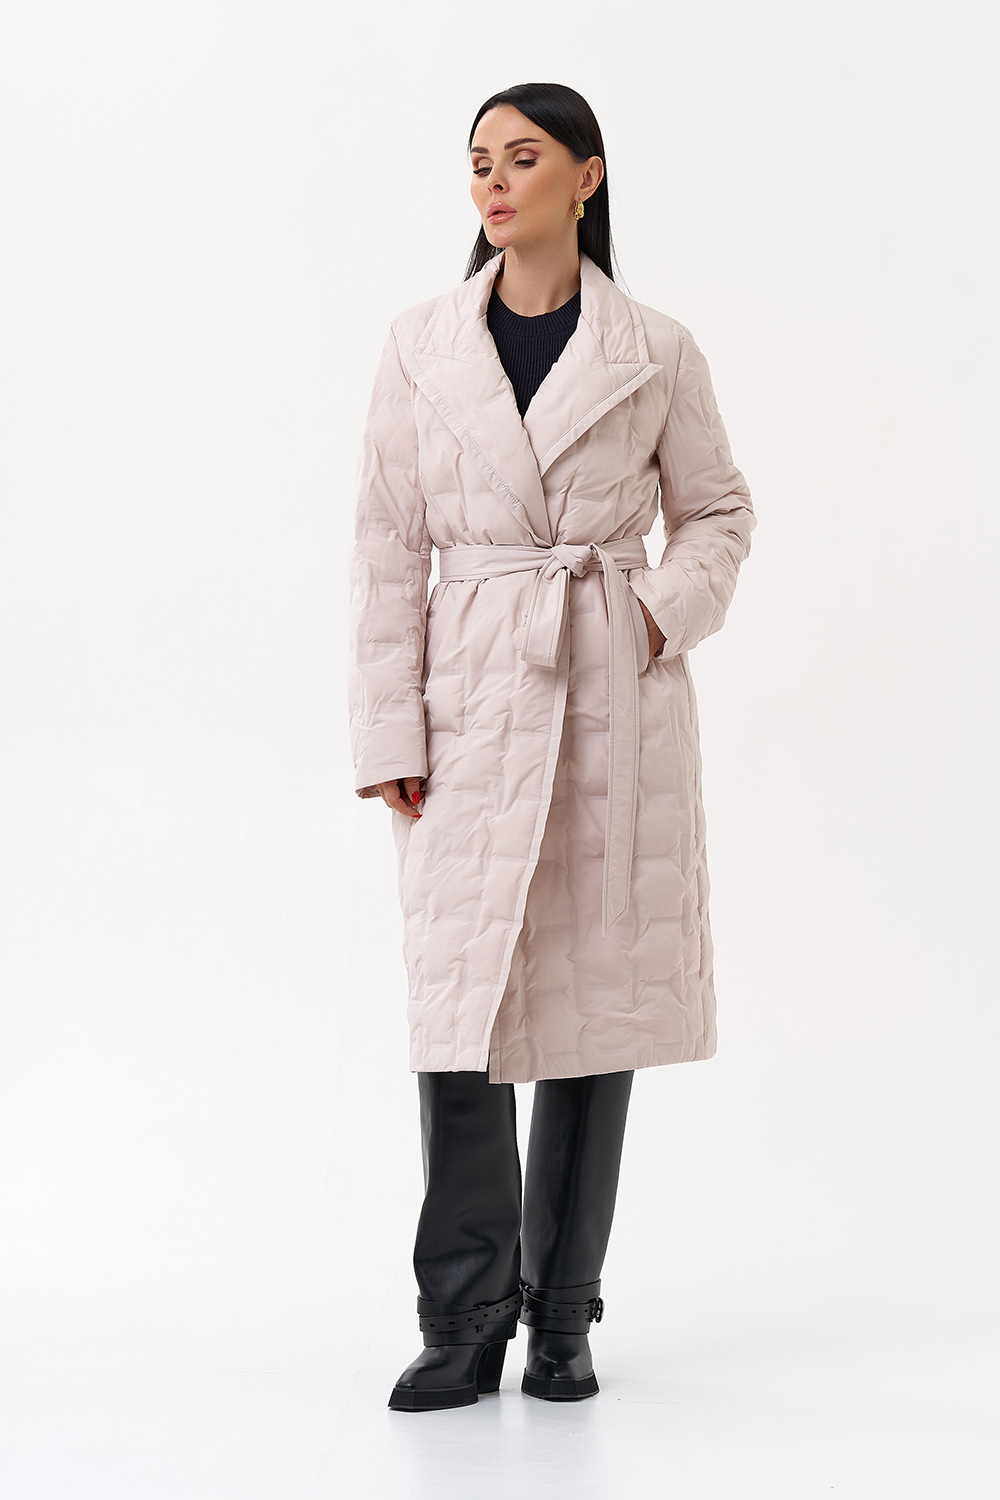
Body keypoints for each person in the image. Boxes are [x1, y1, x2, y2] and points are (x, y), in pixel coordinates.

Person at [347, 82, 756, 1413]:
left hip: (605, 699)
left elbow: (718, 512)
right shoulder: (421, 346)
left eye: (523, 158)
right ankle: (462, 1318)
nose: (494, 182)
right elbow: (386, 547)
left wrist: (653, 616)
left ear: (587, 177)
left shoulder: (657, 348)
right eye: (479, 160)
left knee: (590, 1012)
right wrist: (388, 726)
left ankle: (563, 1317)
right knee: (457, 1010)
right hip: (469, 698)